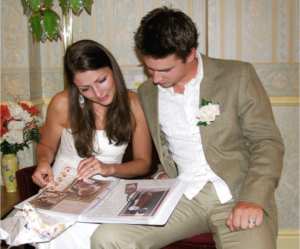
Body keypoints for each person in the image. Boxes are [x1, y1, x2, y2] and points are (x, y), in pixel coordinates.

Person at [91, 7, 284, 249]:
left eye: (165, 70)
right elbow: (164, 145)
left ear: (191, 53)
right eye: (149, 69)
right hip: (182, 196)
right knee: (106, 238)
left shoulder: (237, 76)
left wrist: (252, 199)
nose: (156, 79)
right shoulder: (148, 93)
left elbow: (267, 143)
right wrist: (162, 171)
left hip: (236, 194)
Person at [31, 39, 152, 249]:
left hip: (110, 187)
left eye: (102, 80)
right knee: (63, 231)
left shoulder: (134, 104)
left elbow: (143, 163)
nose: (98, 93)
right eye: (85, 89)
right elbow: (46, 146)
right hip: (63, 186)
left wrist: (108, 168)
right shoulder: (63, 103)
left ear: (112, 70)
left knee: (100, 234)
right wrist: (43, 162)